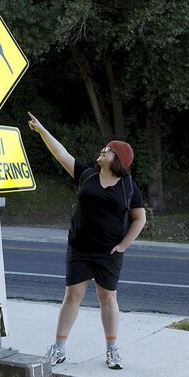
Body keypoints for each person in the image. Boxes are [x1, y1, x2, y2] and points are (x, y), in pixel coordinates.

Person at [28, 111, 146, 370]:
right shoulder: (87, 175)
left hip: (109, 253)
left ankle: (112, 350)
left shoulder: (129, 186)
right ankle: (58, 348)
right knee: (72, 296)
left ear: (119, 159)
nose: (102, 151)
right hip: (79, 248)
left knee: (108, 298)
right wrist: (42, 130)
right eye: (104, 148)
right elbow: (61, 154)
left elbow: (140, 219)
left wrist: (123, 245)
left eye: (108, 150)